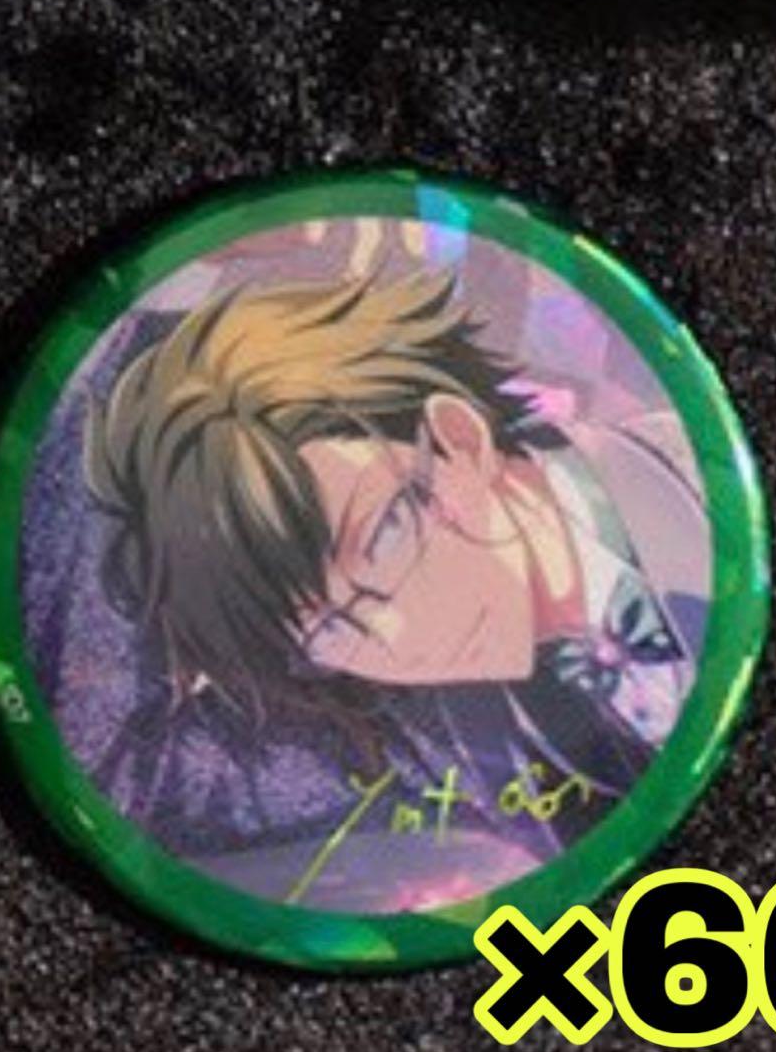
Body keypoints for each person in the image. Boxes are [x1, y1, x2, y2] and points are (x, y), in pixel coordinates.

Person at [82, 269, 709, 911]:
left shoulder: (705, 481)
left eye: (382, 539)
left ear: (458, 440)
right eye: (330, 628)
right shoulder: (480, 743)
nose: (395, 637)